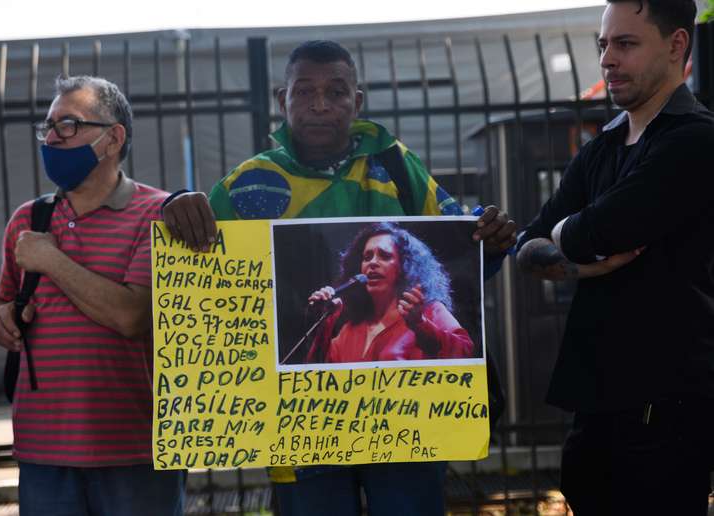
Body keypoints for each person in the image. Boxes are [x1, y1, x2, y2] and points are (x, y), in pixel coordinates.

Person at [163, 40, 517, 516]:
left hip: (406, 430)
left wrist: (491, 239)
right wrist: (177, 205)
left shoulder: (397, 168)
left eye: (336, 91)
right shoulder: (248, 184)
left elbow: (465, 255)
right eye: (304, 91)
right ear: (282, 99)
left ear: (358, 100)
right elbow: (198, 267)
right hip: (301, 430)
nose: (320, 104)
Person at [516, 1, 714, 514]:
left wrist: (568, 237)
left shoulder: (695, 140)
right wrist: (584, 260)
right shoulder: (600, 149)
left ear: (676, 45)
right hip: (596, 401)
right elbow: (527, 244)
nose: (607, 59)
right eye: (603, 44)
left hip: (668, 406)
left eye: (625, 44)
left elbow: (593, 230)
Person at [0, 76, 184, 516]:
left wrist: (51, 260)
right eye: (48, 126)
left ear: (113, 138)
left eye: (69, 124)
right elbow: (2, 302)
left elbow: (131, 316)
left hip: (135, 450)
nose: (52, 138)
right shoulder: (28, 219)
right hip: (43, 450)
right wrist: (2, 320)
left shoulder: (157, 214)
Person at [306, 222, 474, 364]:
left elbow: (466, 352)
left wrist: (421, 325)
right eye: (367, 257)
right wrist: (325, 324)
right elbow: (318, 376)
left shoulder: (429, 311)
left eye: (384, 256)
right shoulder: (349, 331)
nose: (372, 263)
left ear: (404, 266)